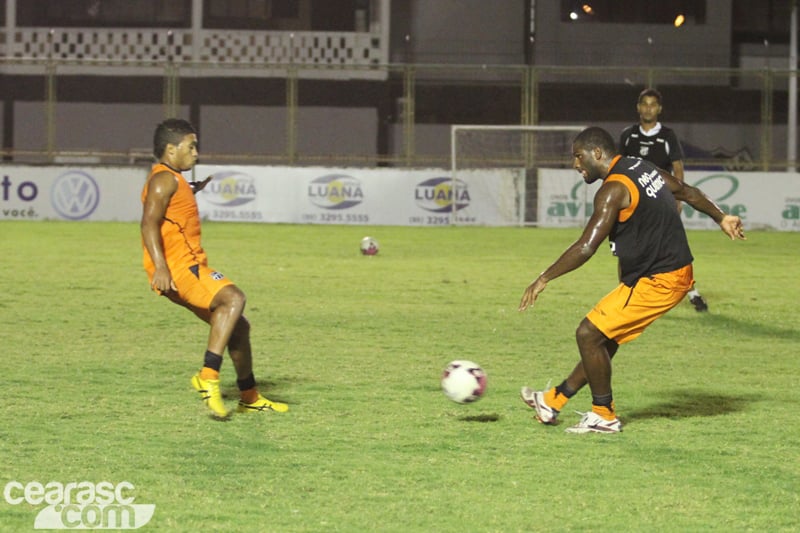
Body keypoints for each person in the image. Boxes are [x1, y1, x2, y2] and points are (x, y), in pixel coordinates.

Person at [519, 127, 744, 434]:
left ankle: (604, 416)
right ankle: (553, 401)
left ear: (596, 153)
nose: (575, 164)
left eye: (578, 156)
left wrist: (543, 278)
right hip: (666, 273)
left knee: (588, 334)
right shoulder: (641, 166)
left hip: (661, 279)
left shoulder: (612, 189)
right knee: (602, 340)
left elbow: (586, 246)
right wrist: (721, 217)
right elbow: (686, 191)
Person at [141, 118, 288, 419]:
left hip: (187, 266)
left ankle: (249, 395)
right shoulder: (163, 180)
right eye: (190, 146)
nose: (196, 153)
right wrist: (160, 267)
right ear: (171, 149)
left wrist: (190, 189)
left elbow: (170, 212)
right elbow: (148, 224)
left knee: (239, 327)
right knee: (233, 298)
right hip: (181, 269)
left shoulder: (173, 180)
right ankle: (209, 374)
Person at [619, 88, 708, 311]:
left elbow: (678, 169)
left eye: (652, 104)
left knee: (673, 250)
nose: (648, 108)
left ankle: (692, 293)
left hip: (661, 203)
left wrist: (677, 199)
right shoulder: (627, 135)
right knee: (626, 248)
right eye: (644, 104)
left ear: (659, 109)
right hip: (634, 204)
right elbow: (619, 168)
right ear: (638, 107)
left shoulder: (667, 136)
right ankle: (625, 293)